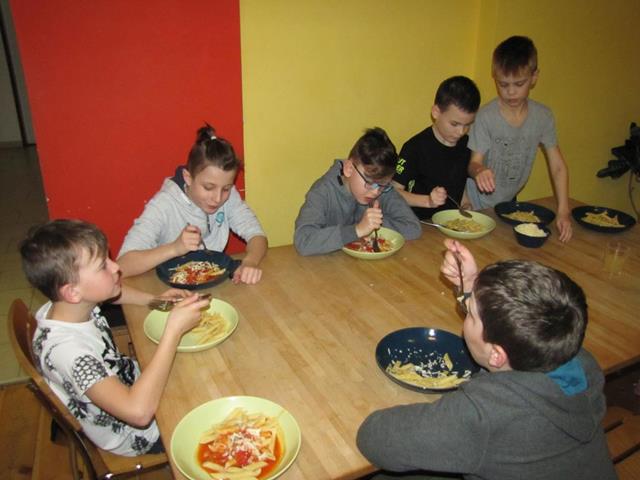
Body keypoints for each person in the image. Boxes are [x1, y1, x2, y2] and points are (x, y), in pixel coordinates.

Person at [356, 238, 615, 479]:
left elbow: (375, 439)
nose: (465, 312)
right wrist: (472, 286)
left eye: (470, 314)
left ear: (497, 355)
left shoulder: (485, 416)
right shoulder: (578, 360)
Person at [20, 219, 211, 456]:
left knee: (203, 369)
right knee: (214, 391)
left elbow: (114, 293)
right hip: (138, 433)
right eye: (103, 266)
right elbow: (139, 414)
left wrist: (156, 302)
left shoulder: (67, 306)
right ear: (72, 292)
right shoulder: (70, 354)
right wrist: (173, 331)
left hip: (129, 382)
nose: (115, 268)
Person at [118, 123, 267, 283]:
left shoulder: (229, 196)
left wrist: (249, 262)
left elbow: (257, 236)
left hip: (213, 284)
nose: (217, 198)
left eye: (226, 188)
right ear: (188, 178)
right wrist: (174, 248)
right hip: (168, 288)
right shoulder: (163, 205)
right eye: (208, 187)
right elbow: (122, 266)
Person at [466, 36, 573, 242]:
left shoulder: (543, 117)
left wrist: (563, 211)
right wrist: (479, 171)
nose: (511, 92)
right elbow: (473, 164)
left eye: (519, 84)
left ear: (534, 77)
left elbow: (558, 167)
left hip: (508, 205)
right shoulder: (486, 116)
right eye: (503, 84)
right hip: (476, 204)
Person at [294, 127, 422, 255]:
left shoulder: (382, 188)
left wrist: (374, 222)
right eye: (369, 182)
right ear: (349, 169)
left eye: (383, 185)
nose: (375, 192)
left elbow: (413, 228)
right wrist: (357, 229)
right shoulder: (322, 191)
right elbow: (303, 241)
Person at [393, 76, 480, 220]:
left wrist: (465, 204)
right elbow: (393, 192)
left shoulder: (465, 144)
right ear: (436, 112)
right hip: (420, 224)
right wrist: (428, 201)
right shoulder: (414, 148)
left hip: (451, 223)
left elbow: (458, 183)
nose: (461, 132)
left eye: (467, 125)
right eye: (454, 124)